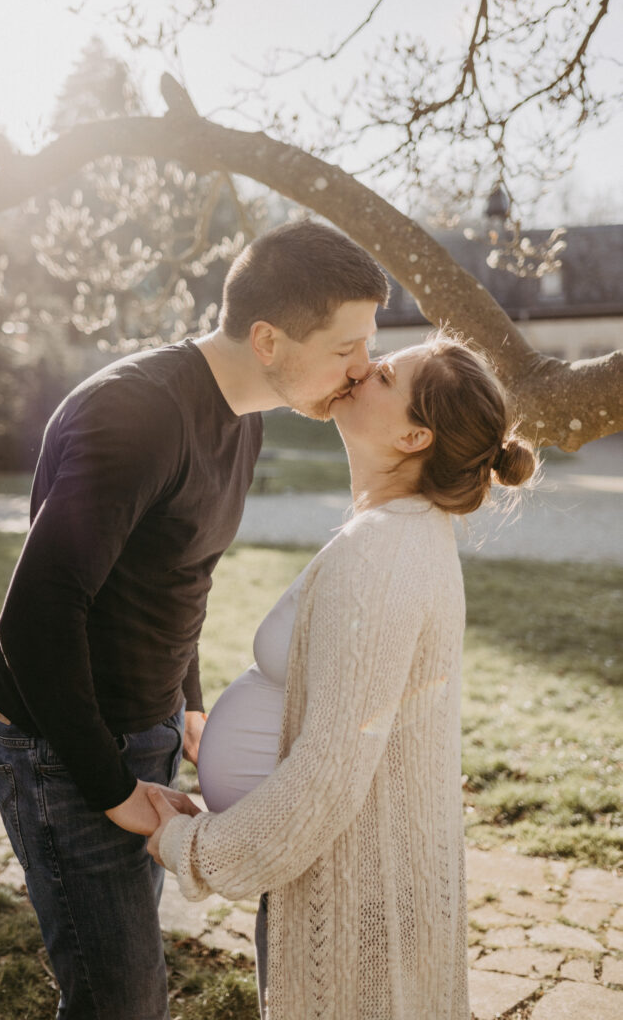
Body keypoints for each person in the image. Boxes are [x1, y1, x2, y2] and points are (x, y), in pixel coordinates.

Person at [0, 219, 389, 1020]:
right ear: (268, 338)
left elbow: (176, 571)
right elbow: (35, 618)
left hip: (146, 726)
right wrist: (111, 788)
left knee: (126, 986)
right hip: (61, 747)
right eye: (345, 349)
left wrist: (186, 701)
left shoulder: (246, 415)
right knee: (121, 1002)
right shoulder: (135, 414)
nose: (362, 369)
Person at [147, 329, 537, 1020]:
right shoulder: (396, 530)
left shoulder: (382, 555)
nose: (363, 368)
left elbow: (326, 778)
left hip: (351, 895)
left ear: (415, 438)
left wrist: (190, 845)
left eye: (386, 376)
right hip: (351, 880)